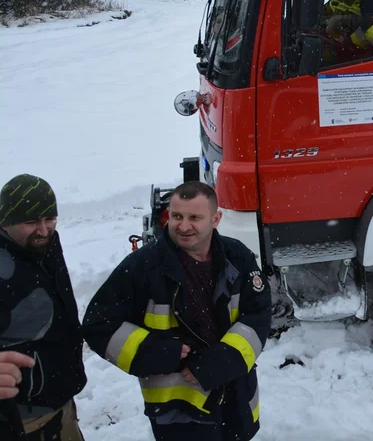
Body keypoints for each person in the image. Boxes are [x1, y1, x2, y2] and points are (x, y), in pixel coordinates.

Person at [83, 182, 271, 441]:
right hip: (178, 410)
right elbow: (98, 324)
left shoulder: (236, 257)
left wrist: (224, 360)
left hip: (236, 398)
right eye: (176, 216)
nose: (183, 227)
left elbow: (258, 313)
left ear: (216, 219)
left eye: (194, 218)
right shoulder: (144, 267)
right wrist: (155, 352)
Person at [0, 174, 88, 441]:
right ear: (5, 223)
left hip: (61, 404)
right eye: (30, 222)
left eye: (49, 219)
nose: (43, 229)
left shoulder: (44, 246)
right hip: (23, 420)